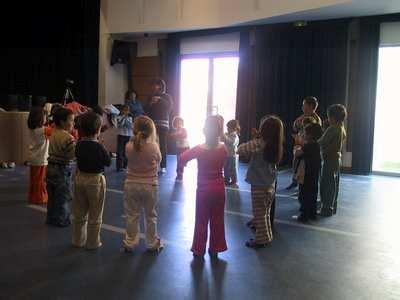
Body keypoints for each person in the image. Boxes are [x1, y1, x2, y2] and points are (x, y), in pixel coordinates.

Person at [178, 115, 228, 258]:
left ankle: (199, 249)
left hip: (203, 191)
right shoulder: (223, 148)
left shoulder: (199, 149)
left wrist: (183, 165)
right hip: (219, 189)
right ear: (219, 132)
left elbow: (182, 158)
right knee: (218, 220)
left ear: (204, 131)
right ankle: (216, 248)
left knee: (201, 220)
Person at [237, 115, 284, 248]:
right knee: (265, 213)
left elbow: (240, 149)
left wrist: (256, 139)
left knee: (259, 215)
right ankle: (267, 235)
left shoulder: (259, 143)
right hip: (270, 185)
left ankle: (260, 240)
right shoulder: (274, 144)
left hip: (259, 186)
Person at [122, 116, 164, 253]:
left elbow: (129, 158)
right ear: (152, 131)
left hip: (131, 184)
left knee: (132, 215)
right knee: (151, 216)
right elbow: (159, 160)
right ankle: (152, 243)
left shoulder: (128, 146)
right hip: (150, 186)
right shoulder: (154, 147)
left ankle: (130, 242)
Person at [72, 112, 111, 250]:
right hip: (95, 180)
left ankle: (78, 240)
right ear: (98, 130)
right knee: (95, 212)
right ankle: (93, 242)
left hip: (80, 178)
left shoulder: (79, 144)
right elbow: (108, 162)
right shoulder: (99, 146)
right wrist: (103, 147)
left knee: (79, 212)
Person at [46, 108, 75, 227]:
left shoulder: (53, 133)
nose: (73, 124)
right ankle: (62, 220)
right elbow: (73, 154)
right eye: (71, 121)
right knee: (63, 196)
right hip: (62, 169)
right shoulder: (68, 137)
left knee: (52, 196)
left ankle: (51, 218)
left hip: (50, 168)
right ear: (63, 122)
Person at [287, 96, 322, 190]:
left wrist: (304, 141)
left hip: (307, 147)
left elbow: (316, 135)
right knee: (296, 164)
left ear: (310, 106)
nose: (302, 107)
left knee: (304, 167)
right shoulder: (302, 117)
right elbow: (295, 128)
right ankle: (295, 180)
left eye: (304, 105)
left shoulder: (316, 119)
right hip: (300, 145)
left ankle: (303, 185)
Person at [318, 104, 347, 217]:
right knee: (334, 184)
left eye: (329, 117)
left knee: (326, 184)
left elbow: (321, 142)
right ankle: (332, 206)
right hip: (337, 159)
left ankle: (326, 208)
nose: (328, 119)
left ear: (333, 117)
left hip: (329, 160)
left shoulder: (332, 128)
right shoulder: (342, 128)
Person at [292, 123, 323, 222]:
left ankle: (304, 216)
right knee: (313, 194)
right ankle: (312, 214)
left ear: (310, 135)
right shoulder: (317, 145)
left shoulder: (309, 145)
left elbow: (297, 154)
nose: (303, 135)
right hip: (314, 174)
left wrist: (297, 145)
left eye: (305, 133)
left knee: (304, 195)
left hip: (306, 174)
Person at [145, 78, 173, 174]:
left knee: (162, 145)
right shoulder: (150, 97)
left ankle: (163, 166)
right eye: (152, 85)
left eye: (156, 85)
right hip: (153, 124)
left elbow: (169, 108)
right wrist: (150, 103)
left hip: (163, 124)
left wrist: (160, 99)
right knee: (152, 144)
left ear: (160, 86)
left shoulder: (167, 96)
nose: (154, 87)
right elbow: (146, 110)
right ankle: (152, 164)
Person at [27, 106, 52, 204]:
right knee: (40, 181)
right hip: (40, 159)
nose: (46, 118)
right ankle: (39, 198)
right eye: (45, 116)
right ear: (40, 118)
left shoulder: (33, 129)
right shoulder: (42, 130)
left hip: (34, 158)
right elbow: (54, 130)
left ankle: (33, 197)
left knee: (35, 180)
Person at [222, 120, 240, 188]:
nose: (227, 129)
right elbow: (222, 140)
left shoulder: (234, 135)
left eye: (229, 128)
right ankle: (226, 179)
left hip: (232, 155)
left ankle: (234, 181)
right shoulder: (228, 134)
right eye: (227, 128)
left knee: (232, 169)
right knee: (226, 168)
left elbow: (231, 142)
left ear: (234, 128)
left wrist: (225, 137)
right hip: (227, 155)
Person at [170, 116, 189, 181]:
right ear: (175, 124)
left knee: (182, 161)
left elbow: (184, 135)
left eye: (180, 123)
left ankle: (180, 172)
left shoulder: (184, 130)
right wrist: (175, 134)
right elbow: (171, 136)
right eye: (177, 123)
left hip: (185, 148)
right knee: (179, 161)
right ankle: (179, 174)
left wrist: (178, 133)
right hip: (179, 148)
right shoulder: (175, 131)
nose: (179, 124)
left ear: (182, 123)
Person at [116, 105, 133, 172]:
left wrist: (127, 120)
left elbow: (130, 126)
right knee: (119, 151)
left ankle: (125, 166)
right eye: (124, 110)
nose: (126, 112)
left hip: (128, 135)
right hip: (121, 135)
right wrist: (124, 118)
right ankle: (119, 167)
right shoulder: (119, 117)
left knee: (126, 151)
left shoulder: (130, 117)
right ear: (122, 111)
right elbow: (120, 125)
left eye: (127, 110)